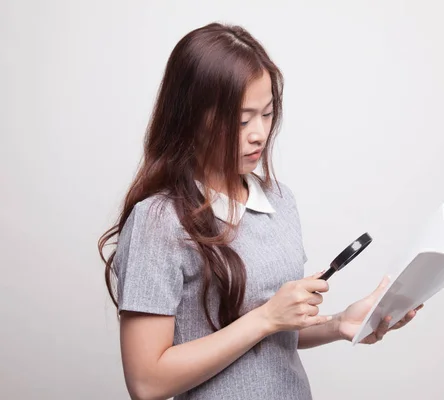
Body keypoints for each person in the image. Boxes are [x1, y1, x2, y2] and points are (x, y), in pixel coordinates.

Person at [98, 22, 422, 400]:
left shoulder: (279, 201)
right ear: (191, 117)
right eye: (241, 119)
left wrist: (339, 324)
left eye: (267, 114)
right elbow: (146, 381)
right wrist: (266, 317)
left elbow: (273, 336)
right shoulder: (159, 221)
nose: (259, 134)